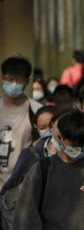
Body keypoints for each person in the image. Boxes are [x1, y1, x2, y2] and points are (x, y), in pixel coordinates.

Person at [1, 56, 44, 187]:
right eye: (10, 79)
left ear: (27, 82)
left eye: (19, 80)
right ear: (2, 78)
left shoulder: (36, 110)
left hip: (22, 185)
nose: (14, 84)